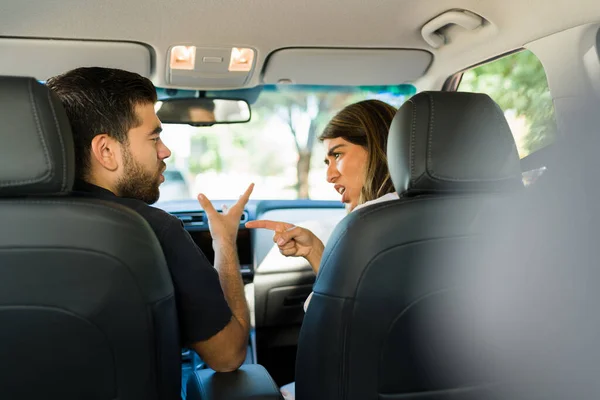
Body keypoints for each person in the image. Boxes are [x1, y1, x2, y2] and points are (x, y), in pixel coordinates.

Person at [46, 67, 251, 373]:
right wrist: (224, 242)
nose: (165, 151)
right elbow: (228, 356)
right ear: (106, 150)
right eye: (154, 137)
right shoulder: (151, 230)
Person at [245, 99, 398, 399]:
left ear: (377, 147)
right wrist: (316, 250)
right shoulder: (465, 214)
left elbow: (327, 330)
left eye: (337, 155)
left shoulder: (364, 226)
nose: (329, 176)